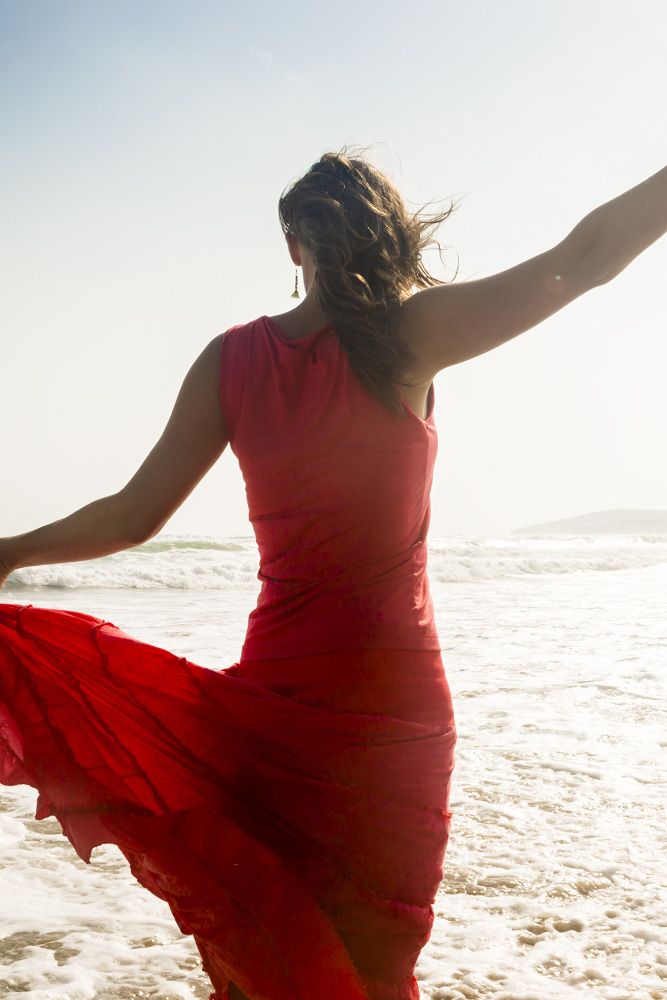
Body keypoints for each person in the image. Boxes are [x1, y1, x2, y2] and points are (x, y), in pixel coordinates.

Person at [0, 147, 665, 1000]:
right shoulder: (407, 337)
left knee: (266, 948)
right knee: (374, 961)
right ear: (386, 233)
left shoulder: (231, 361)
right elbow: (583, 259)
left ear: (291, 246)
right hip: (392, 707)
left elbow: (132, 517)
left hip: (272, 693)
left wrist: (10, 551)